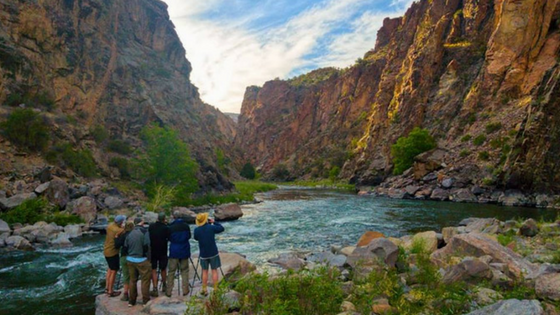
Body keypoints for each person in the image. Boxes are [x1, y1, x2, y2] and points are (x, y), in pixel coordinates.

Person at [194, 213, 224, 296]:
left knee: (204, 271)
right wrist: (214, 222)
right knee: (214, 270)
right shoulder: (211, 227)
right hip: (213, 252)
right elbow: (221, 228)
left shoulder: (197, 230)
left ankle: (204, 289)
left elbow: (196, 238)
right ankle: (215, 289)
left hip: (203, 254)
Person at [124, 217, 151, 307]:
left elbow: (125, 246)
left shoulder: (129, 233)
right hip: (142, 259)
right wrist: (149, 259)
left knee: (132, 280)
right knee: (145, 280)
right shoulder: (144, 232)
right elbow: (147, 245)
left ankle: (131, 301)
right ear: (142, 222)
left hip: (130, 259)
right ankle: (145, 301)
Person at [166, 211, 191, 297]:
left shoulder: (170, 227)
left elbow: (168, 238)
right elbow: (189, 236)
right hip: (184, 250)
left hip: (174, 251)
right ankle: (185, 290)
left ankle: (169, 291)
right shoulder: (186, 226)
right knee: (184, 270)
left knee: (171, 271)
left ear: (173, 217)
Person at [103, 215, 125, 297]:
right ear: (121, 222)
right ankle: (110, 291)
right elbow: (126, 230)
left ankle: (107, 287)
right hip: (113, 253)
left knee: (109, 269)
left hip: (106, 251)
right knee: (114, 271)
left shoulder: (110, 226)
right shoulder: (118, 230)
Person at [148, 212, 169, 297]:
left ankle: (155, 288)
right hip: (163, 251)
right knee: (163, 269)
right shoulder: (166, 228)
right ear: (164, 219)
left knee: (153, 269)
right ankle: (164, 285)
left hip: (153, 250)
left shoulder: (151, 226)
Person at [114, 221, 134, 302]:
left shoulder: (122, 235)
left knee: (126, 276)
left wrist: (116, 237)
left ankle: (125, 293)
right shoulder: (134, 235)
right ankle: (133, 293)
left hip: (124, 257)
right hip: (132, 256)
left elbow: (117, 245)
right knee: (133, 276)